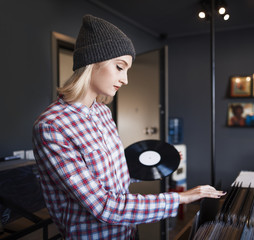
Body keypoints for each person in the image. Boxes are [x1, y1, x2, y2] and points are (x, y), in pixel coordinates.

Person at [32, 14, 225, 239]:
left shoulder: (103, 113)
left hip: (128, 232)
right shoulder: (52, 126)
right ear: (93, 62)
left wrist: (156, 162)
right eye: (119, 67)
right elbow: (104, 206)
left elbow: (114, 174)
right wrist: (181, 198)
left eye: (127, 70)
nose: (125, 80)